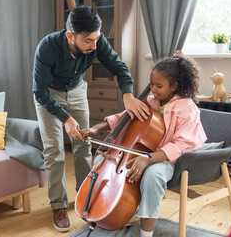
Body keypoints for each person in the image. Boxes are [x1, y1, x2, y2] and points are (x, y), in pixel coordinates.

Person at [32, 5, 149, 232]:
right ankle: (59, 205)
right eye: (87, 41)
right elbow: (40, 92)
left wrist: (127, 95)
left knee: (83, 145)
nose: (94, 46)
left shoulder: (97, 41)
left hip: (76, 92)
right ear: (70, 36)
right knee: (54, 152)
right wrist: (66, 119)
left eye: (96, 39)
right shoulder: (47, 47)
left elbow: (120, 68)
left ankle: (87, 198)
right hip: (49, 95)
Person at [80, 53, 207, 237]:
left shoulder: (187, 108)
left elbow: (181, 145)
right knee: (102, 160)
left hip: (169, 159)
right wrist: (96, 128)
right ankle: (115, 209)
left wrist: (148, 159)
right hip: (144, 153)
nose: (153, 89)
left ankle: (146, 233)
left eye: (159, 85)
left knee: (152, 176)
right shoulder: (150, 102)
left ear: (175, 86)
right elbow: (125, 117)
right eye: (152, 83)